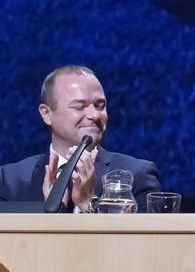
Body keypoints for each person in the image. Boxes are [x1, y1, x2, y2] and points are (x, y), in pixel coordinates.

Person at [0, 65, 161, 212]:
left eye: (100, 105)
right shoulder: (10, 181)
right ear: (46, 114)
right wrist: (51, 216)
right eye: (79, 106)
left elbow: (145, 243)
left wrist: (89, 204)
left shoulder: (137, 176)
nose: (94, 115)